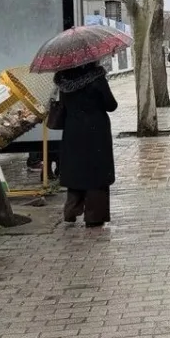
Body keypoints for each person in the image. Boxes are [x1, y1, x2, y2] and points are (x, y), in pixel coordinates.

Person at [54, 62, 118, 227]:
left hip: (73, 130)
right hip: (96, 131)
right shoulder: (96, 78)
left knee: (76, 170)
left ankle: (71, 209)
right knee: (96, 172)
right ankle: (94, 216)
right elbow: (111, 105)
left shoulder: (64, 80)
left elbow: (64, 107)